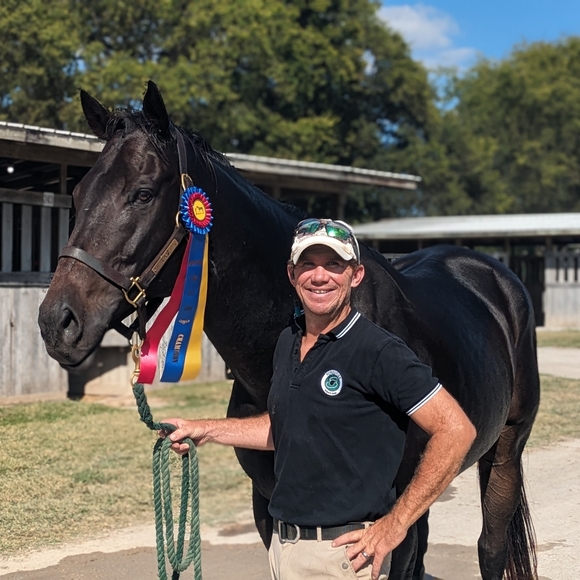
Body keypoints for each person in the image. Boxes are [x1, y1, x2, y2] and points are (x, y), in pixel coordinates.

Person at [161, 218, 476, 580]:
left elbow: (457, 430)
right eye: (308, 264)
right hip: (285, 550)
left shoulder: (378, 351)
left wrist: (396, 524)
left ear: (356, 275)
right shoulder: (288, 343)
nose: (320, 276)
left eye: (334, 264)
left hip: (345, 558)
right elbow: (286, 427)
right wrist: (205, 430)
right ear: (292, 274)